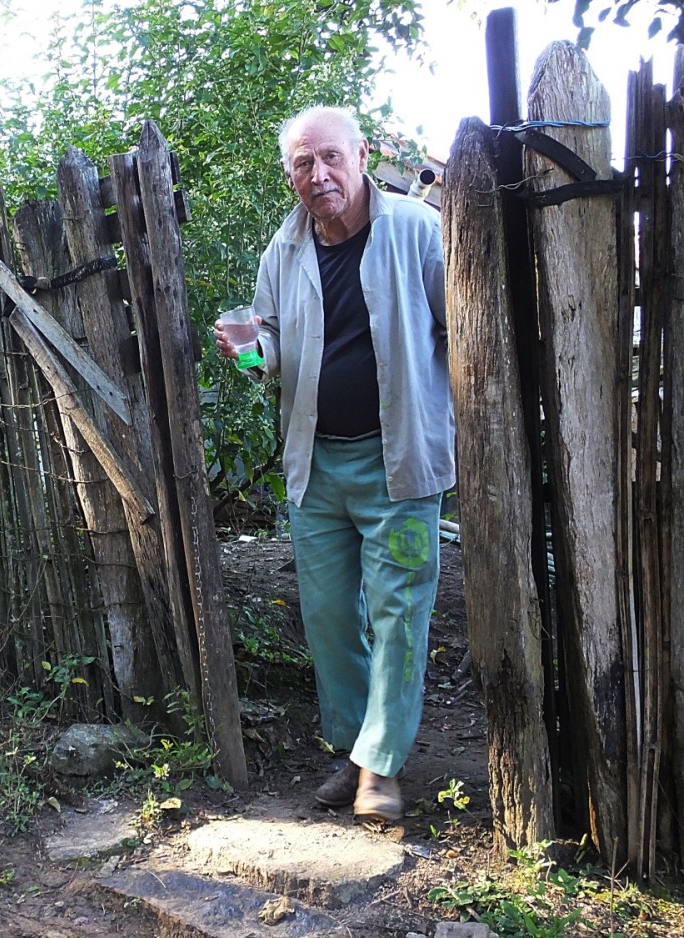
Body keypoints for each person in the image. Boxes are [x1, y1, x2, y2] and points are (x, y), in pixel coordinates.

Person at [214, 105, 453, 822]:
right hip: (316, 471)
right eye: (301, 164)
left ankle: (380, 768)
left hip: (400, 468)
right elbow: (273, 359)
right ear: (289, 175)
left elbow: (463, 325)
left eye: (329, 158)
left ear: (361, 154)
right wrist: (250, 351)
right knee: (326, 619)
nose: (318, 175)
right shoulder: (280, 254)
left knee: (400, 614)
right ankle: (353, 749)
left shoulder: (416, 228)